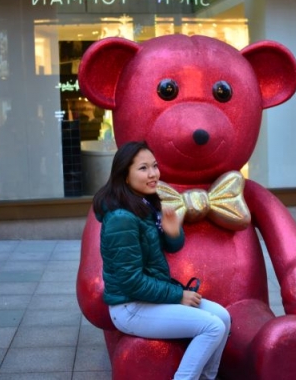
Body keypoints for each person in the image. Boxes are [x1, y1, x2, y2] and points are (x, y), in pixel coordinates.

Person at [93, 141, 231, 380]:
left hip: (150, 299)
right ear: (124, 176)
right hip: (130, 307)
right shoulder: (121, 219)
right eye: (143, 168)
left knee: (223, 317)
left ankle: (209, 377)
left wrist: (172, 232)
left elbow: (171, 247)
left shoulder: (144, 205)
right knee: (212, 327)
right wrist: (178, 295)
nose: (153, 174)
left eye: (154, 166)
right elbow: (130, 282)